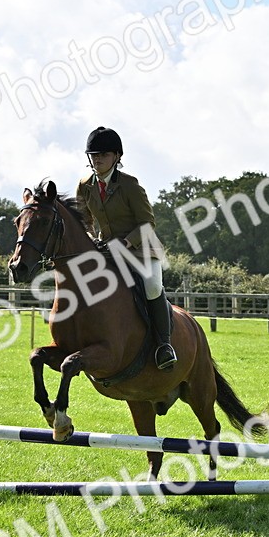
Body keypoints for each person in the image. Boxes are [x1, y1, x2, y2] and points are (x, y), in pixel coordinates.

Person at [75, 126, 177, 370]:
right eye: (93, 155)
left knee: (152, 286)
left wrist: (127, 242)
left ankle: (165, 345)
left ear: (117, 157)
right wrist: (90, 237)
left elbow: (148, 222)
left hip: (141, 247)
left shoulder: (130, 185)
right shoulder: (85, 185)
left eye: (103, 154)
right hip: (109, 249)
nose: (97, 159)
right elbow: (84, 219)